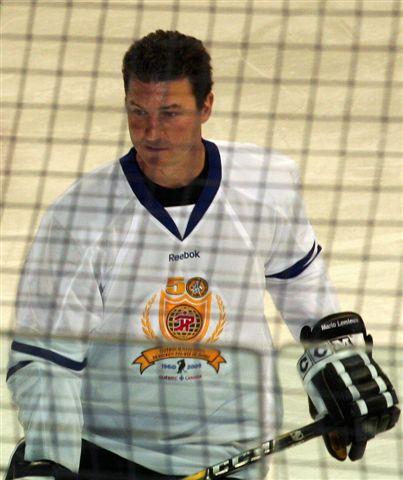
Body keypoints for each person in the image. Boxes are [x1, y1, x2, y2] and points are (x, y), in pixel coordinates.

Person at [6, 30, 399, 480]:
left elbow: (306, 293)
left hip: (237, 447)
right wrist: (50, 459)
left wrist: (339, 359)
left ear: (206, 106)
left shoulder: (266, 184)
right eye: (139, 112)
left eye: (170, 113)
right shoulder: (79, 217)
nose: (152, 132)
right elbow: (47, 360)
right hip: (111, 453)